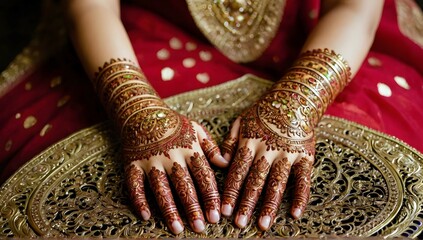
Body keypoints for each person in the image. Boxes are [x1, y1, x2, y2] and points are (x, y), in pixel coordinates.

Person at [0, 0, 422, 235]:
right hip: (146, 33)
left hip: (323, 36)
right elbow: (90, 8)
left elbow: (353, 9)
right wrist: (135, 106)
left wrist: (300, 100)